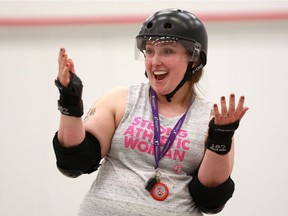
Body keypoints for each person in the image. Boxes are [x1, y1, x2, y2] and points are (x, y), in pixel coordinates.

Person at [53, 8, 248, 216]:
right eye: (150, 51)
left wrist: (221, 139)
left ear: (195, 60)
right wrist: (70, 102)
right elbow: (74, 161)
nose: (155, 62)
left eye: (167, 51)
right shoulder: (121, 100)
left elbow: (211, 200)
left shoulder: (212, 117)